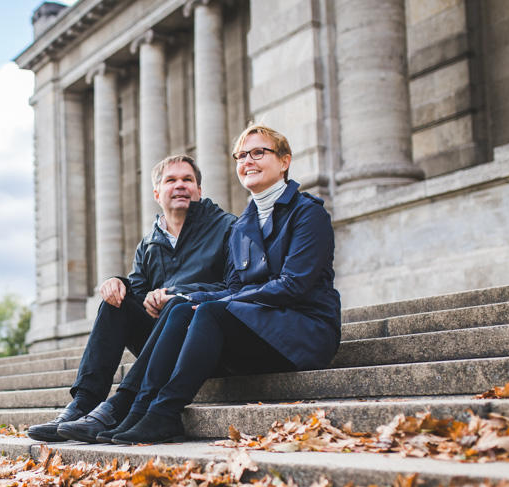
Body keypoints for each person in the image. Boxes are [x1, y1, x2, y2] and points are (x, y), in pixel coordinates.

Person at [105, 124, 341, 445]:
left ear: (284, 161)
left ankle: (164, 412)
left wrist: (219, 303)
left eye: (259, 152)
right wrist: (187, 296)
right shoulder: (242, 225)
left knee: (211, 312)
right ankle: (139, 409)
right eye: (241, 156)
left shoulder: (307, 213)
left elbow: (293, 286)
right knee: (181, 307)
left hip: (304, 332)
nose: (248, 161)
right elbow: (231, 287)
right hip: (260, 331)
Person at [27, 155, 235, 442]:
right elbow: (136, 294)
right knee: (115, 302)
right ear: (157, 193)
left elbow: (236, 286)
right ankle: (84, 405)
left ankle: (118, 405)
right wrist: (117, 284)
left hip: (202, 338)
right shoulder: (150, 243)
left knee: (177, 303)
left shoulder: (226, 227)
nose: (180, 186)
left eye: (188, 180)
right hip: (161, 341)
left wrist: (177, 294)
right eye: (171, 180)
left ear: (199, 190)